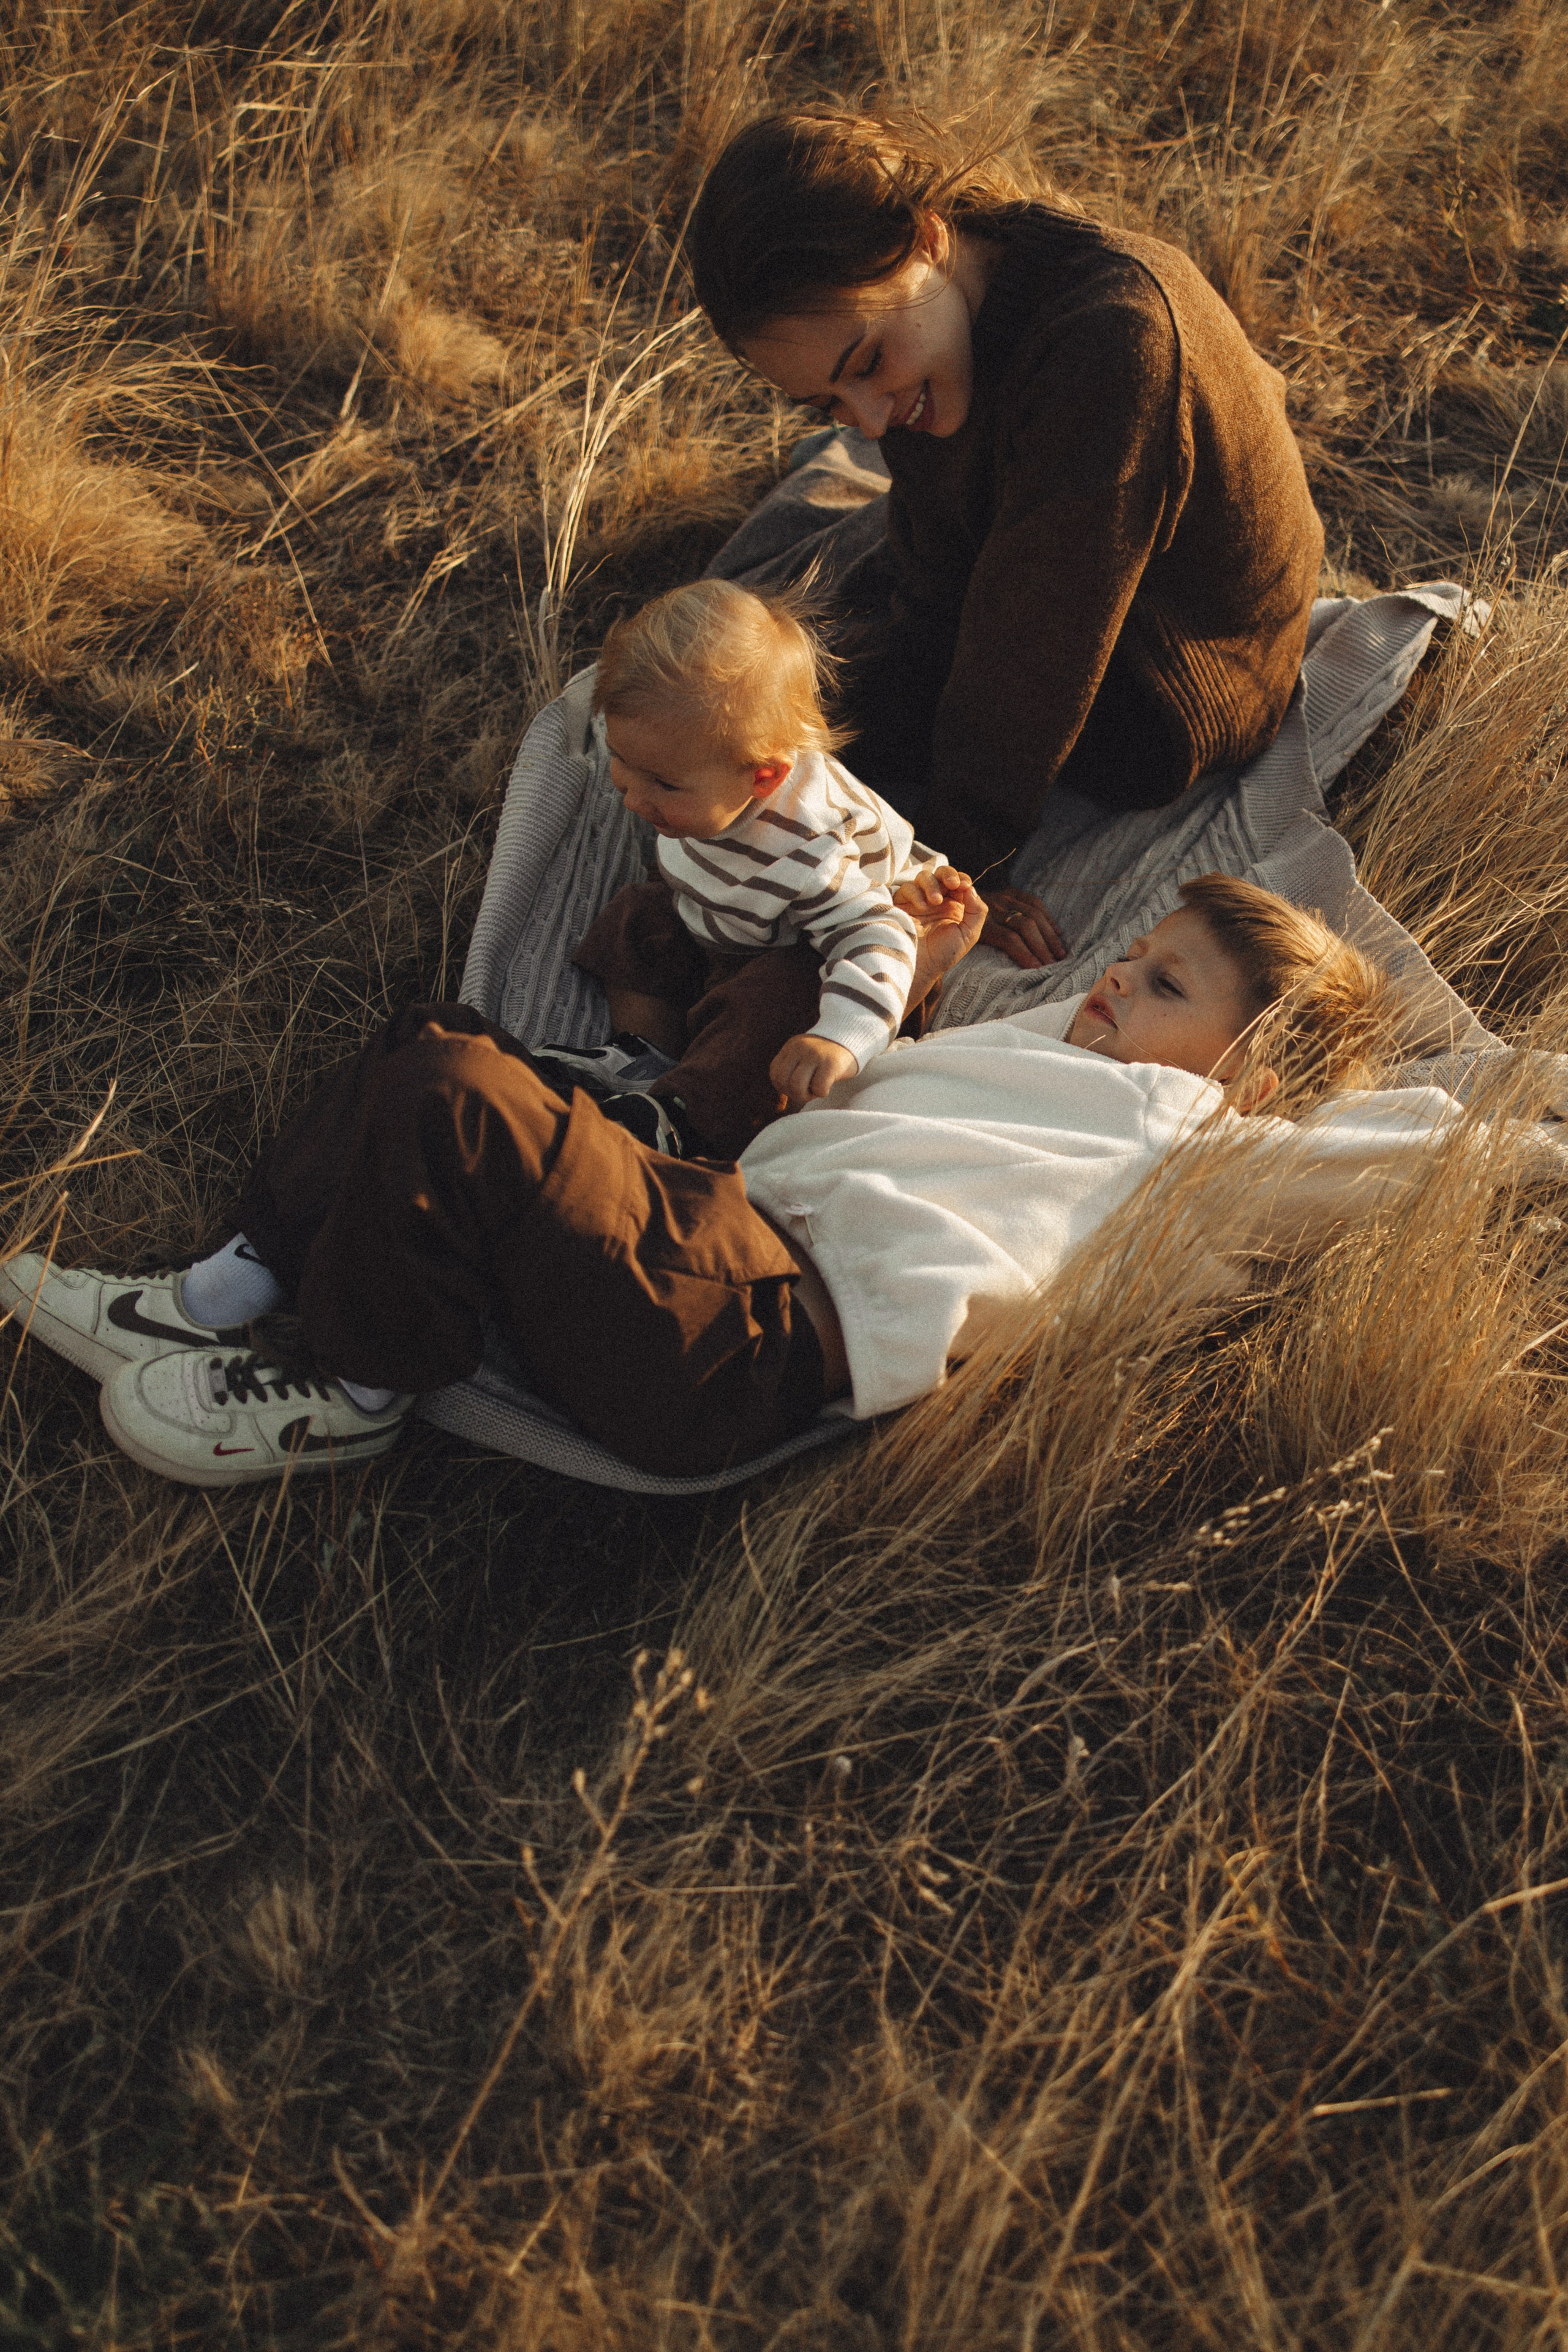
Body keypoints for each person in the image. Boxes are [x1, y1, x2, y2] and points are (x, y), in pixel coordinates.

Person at [2, 875, 1433, 1493]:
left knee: (457, 1104)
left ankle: (357, 1383)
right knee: (436, 1042)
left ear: (1246, 1073)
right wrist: (919, 980)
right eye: (1131, 951)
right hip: (702, 1228)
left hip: (750, 1330)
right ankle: (213, 1292)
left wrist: (1516, 1125)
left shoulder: (1191, 1137)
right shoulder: (1043, 1059)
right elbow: (886, 1084)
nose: (1114, 977)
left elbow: (1408, 1151)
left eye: (1164, 980)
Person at [687, 110, 1325, 972]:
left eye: (866, 365)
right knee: (735, 693)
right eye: (827, 406)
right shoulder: (952, 308)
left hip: (1165, 690)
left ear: (925, 239)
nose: (870, 423)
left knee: (757, 747)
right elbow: (934, 568)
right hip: (1045, 586)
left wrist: (950, 871)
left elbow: (1037, 651)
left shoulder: (1109, 341)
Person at [562, 579, 968, 1161]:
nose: (632, 798)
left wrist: (840, 1039)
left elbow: (880, 935)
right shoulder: (691, 760)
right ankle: (643, 1057)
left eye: (663, 784)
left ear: (764, 778)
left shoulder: (809, 850)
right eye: (623, 761)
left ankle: (686, 1118)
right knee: (637, 918)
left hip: (815, 951)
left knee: (771, 1001)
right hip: (728, 912)